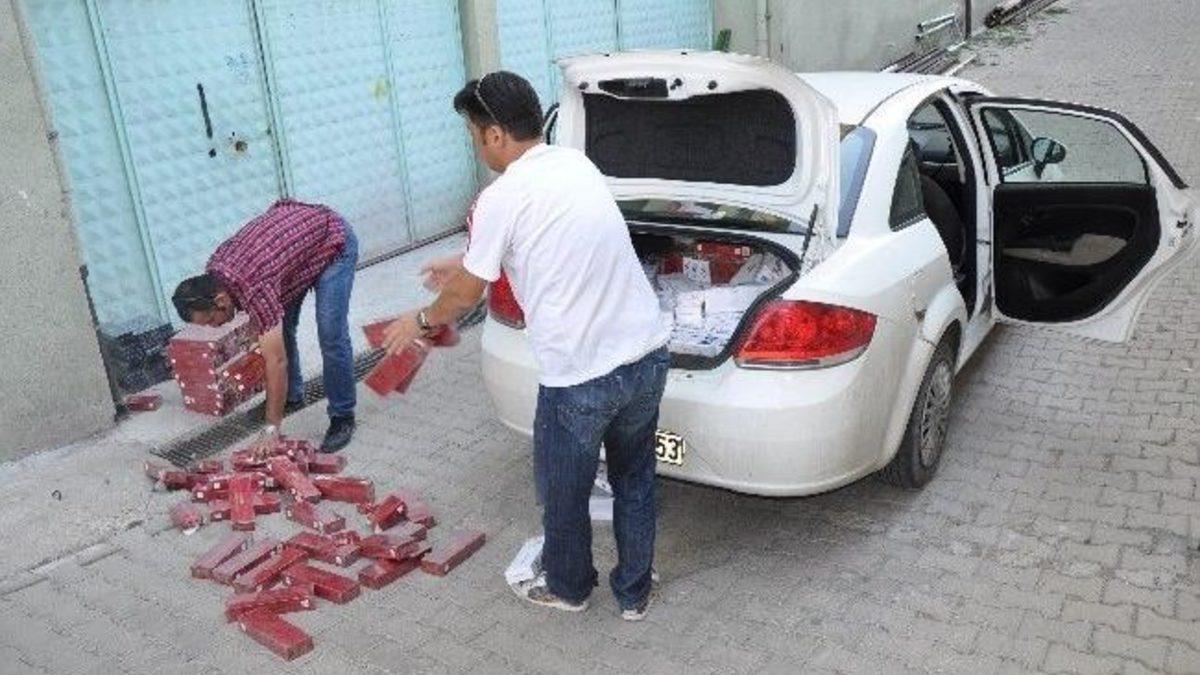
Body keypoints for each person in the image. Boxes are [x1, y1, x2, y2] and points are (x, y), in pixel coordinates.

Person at [381, 71, 671, 620]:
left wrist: (420, 319)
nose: (475, 146)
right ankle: (634, 594)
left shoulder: (501, 196)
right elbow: (542, 238)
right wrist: (463, 262)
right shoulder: (575, 165)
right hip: (646, 355)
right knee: (635, 480)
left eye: (473, 134)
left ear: (494, 134)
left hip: (581, 377)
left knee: (564, 493)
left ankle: (569, 588)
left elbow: (466, 293)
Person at [171, 199, 359, 453]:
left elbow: (276, 361)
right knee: (282, 329)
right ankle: (291, 396)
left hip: (332, 239)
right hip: (295, 253)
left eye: (211, 320)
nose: (214, 327)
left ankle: (342, 416)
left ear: (221, 301)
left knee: (330, 333)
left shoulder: (254, 287)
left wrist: (272, 428)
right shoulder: (216, 271)